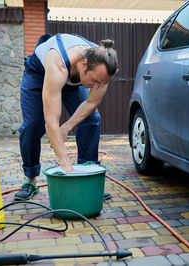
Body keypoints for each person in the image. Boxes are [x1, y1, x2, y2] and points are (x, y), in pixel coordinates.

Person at [14, 33, 118, 201]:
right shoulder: (58, 65)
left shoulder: (102, 65)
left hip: (74, 75)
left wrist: (67, 127)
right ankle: (30, 180)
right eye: (95, 81)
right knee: (33, 124)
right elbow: (51, 121)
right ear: (84, 64)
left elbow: (91, 103)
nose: (97, 87)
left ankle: (88, 174)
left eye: (102, 83)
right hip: (39, 73)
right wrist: (66, 165)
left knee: (92, 119)